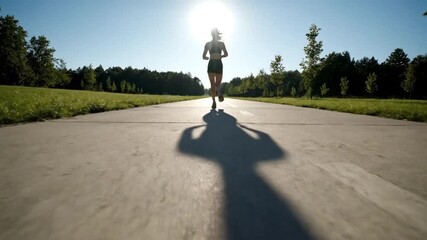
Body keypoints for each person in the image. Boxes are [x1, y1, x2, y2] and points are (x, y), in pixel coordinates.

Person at [202, 28, 228, 109]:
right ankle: (214, 102)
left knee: (218, 83)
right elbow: (203, 56)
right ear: (211, 34)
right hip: (211, 63)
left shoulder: (221, 44)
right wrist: (207, 58)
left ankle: (219, 94)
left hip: (219, 64)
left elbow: (226, 54)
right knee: (212, 84)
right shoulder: (207, 44)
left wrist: (221, 56)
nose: (214, 35)